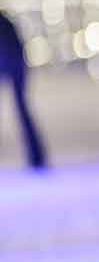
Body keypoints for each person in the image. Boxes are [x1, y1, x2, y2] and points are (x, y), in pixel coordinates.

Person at [0, 11, 47, 171]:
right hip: (15, 64)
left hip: (13, 65)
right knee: (22, 110)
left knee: (22, 110)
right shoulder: (5, 20)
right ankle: (37, 157)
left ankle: (37, 158)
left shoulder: (4, 22)